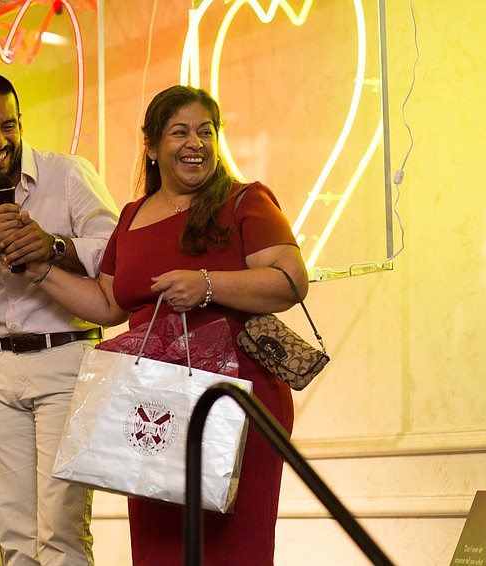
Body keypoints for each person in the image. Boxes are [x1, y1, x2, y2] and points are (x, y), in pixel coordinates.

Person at [18, 84, 308, 565]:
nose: (196, 143)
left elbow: (290, 280)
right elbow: (109, 302)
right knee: (159, 551)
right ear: (151, 146)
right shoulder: (131, 216)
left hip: (237, 403)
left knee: (232, 549)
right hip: (151, 409)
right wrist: (41, 272)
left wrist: (208, 285)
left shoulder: (244, 200)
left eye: (206, 131)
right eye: (180, 132)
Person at [0, 70, 119, 565]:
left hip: (69, 356)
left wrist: (55, 246)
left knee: (61, 531)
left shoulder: (70, 174)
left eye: (8, 126)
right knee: (14, 537)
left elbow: (118, 255)